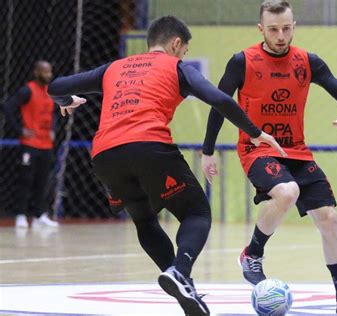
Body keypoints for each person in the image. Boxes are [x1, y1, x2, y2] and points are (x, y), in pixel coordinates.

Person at [48, 15, 285, 316]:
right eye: (184, 51)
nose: (183, 56)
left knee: (144, 220)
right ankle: (180, 272)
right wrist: (256, 132)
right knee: (197, 212)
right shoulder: (176, 68)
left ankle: (180, 280)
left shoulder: (114, 68)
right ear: (176, 44)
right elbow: (221, 100)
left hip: (104, 155)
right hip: (149, 146)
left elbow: (55, 85)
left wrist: (65, 98)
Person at [201, 1, 337, 315]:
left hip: (297, 151)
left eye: (286, 28)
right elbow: (219, 105)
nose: (281, 35)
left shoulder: (308, 61)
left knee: (329, 220)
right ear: (261, 29)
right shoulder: (242, 62)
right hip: (258, 149)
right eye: (274, 29)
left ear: (294, 26)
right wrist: (207, 151)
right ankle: (252, 254)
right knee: (287, 192)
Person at [4, 60, 60, 229]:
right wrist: (20, 129)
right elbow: (7, 107)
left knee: (43, 181)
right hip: (30, 144)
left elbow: (54, 114)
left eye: (50, 72)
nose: (48, 75)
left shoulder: (51, 92)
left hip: (46, 144)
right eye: (45, 72)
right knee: (25, 180)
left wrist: (53, 128)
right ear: (36, 72)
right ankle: (20, 215)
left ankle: (39, 215)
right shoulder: (27, 90)